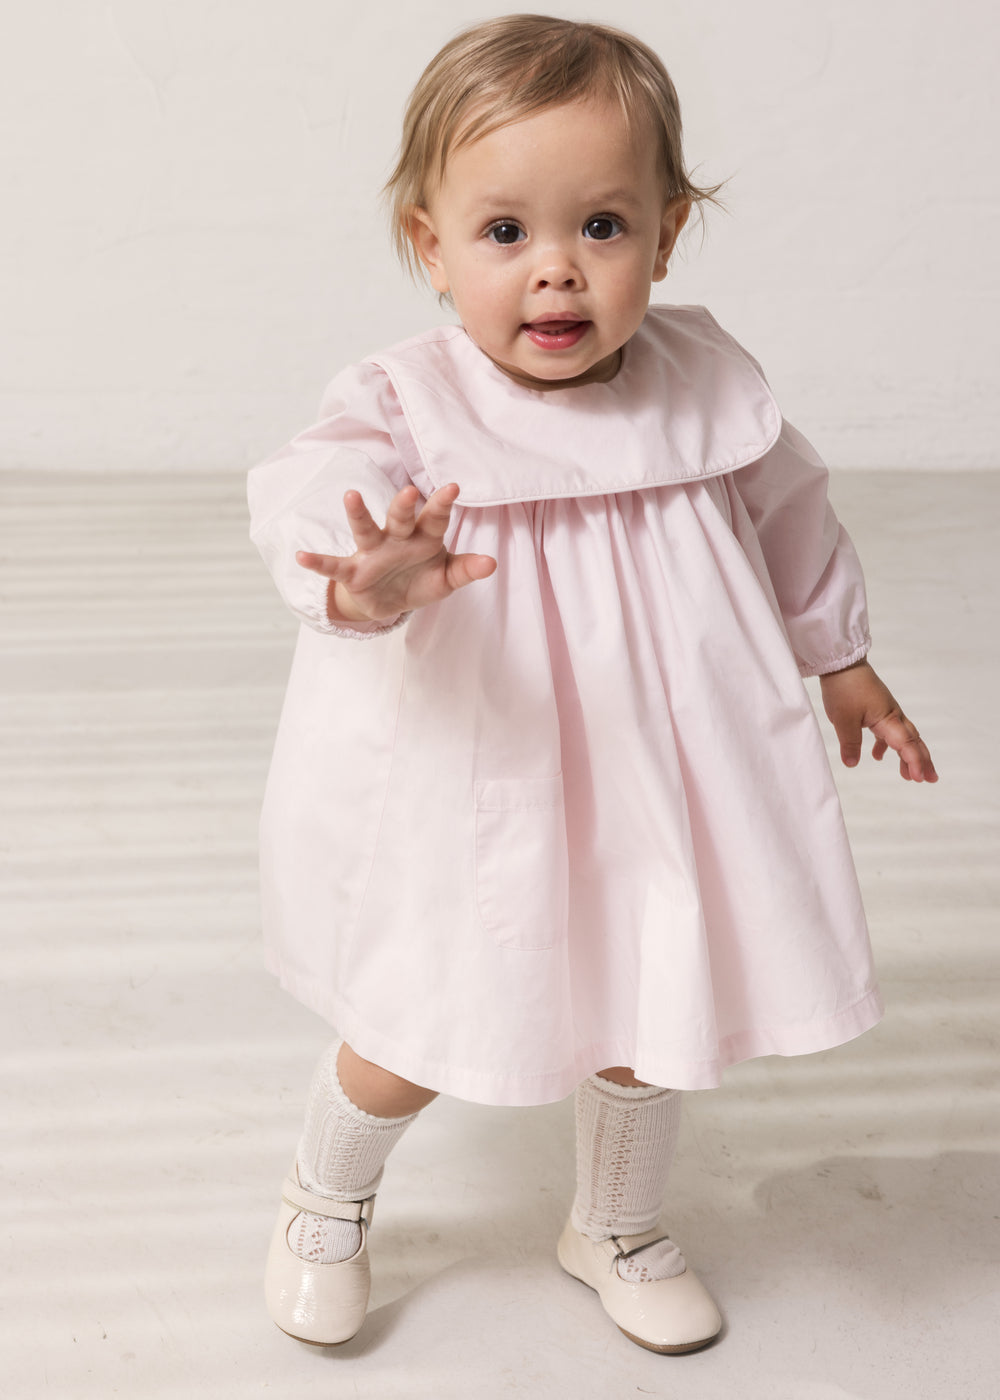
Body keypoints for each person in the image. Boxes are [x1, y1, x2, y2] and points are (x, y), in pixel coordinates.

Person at [248, 14, 937, 1355]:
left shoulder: (706, 385)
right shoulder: (403, 405)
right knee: (419, 1008)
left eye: (603, 228)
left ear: (668, 234)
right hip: (485, 775)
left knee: (649, 998)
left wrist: (840, 658)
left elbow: (793, 517)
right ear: (428, 243)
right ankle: (323, 1194)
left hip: (667, 769)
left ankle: (612, 1220)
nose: (556, 271)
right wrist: (362, 575)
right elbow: (305, 494)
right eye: (505, 232)